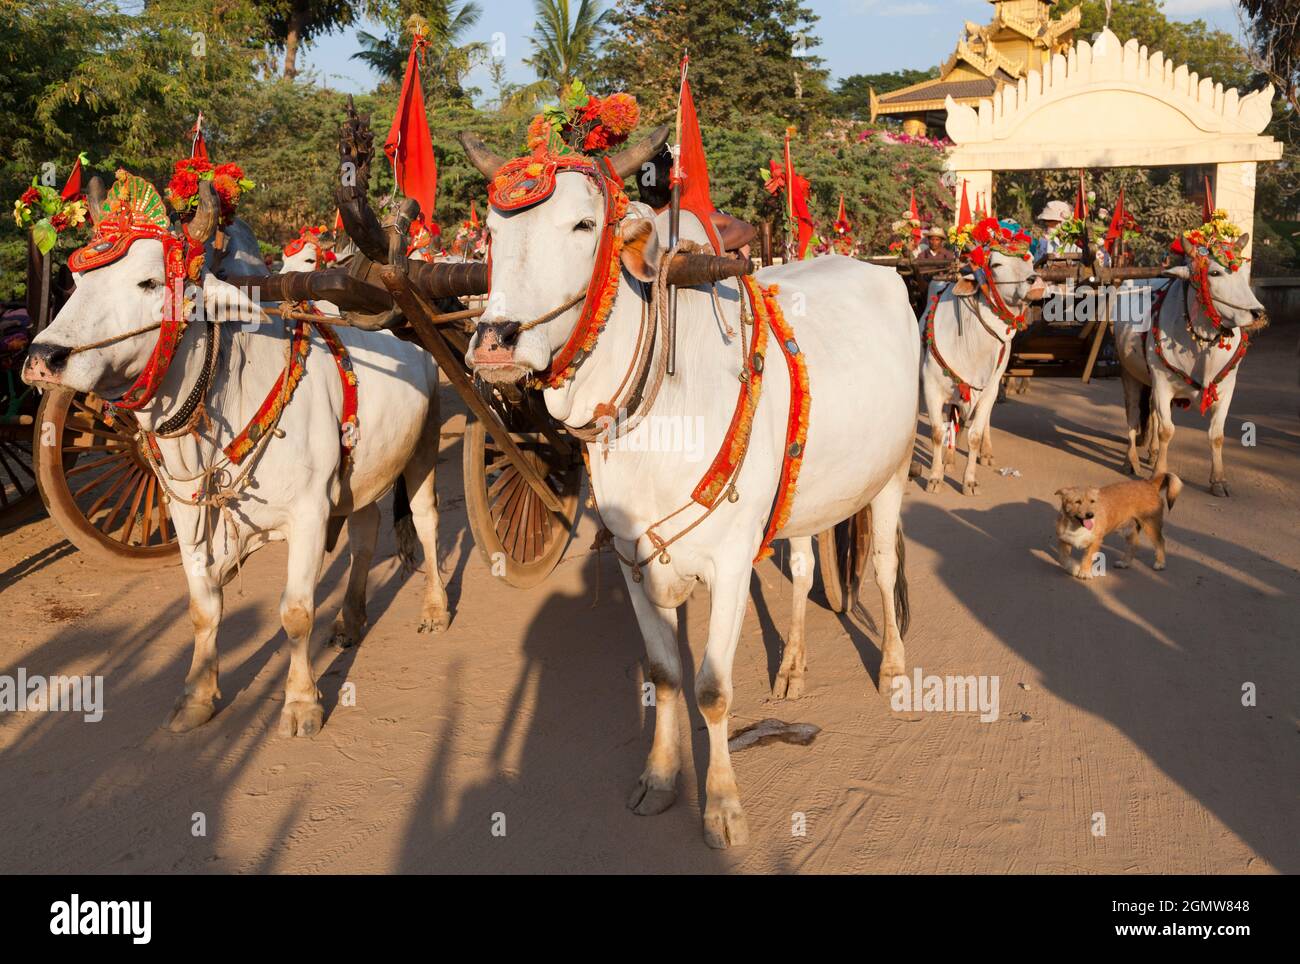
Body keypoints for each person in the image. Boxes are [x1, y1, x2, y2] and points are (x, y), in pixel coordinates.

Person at [637, 146, 755, 258]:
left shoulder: (628, 218)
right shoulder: (687, 217)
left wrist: (701, 249)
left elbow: (745, 230)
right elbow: (746, 230)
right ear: (676, 185)